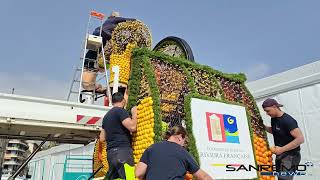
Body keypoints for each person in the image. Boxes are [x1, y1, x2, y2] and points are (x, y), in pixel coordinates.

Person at [135, 125, 213, 180]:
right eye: (184, 141)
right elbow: (203, 177)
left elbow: (138, 173)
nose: (183, 144)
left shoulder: (151, 148)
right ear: (180, 137)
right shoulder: (183, 152)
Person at [262, 98, 304, 180]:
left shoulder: (288, 120)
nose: (267, 113)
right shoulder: (274, 118)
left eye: (268, 111)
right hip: (281, 154)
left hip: (290, 156)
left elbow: (300, 139)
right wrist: (264, 127)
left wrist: (282, 149)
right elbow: (276, 130)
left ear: (274, 107)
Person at [100, 92, 138, 179]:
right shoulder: (120, 111)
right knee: (128, 177)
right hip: (122, 151)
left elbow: (102, 138)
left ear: (113, 102)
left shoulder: (106, 117)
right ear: (123, 101)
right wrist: (134, 113)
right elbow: (132, 127)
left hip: (110, 154)